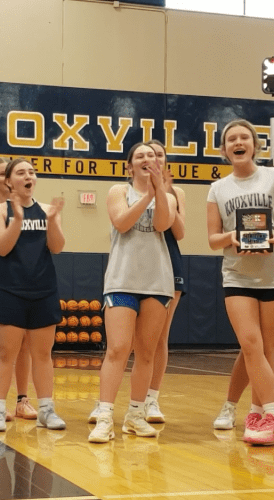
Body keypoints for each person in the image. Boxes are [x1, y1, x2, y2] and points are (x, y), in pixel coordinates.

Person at [207, 121, 274, 446]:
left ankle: (257, 414)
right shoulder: (218, 188)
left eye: (244, 137)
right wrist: (232, 237)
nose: (238, 142)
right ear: (224, 150)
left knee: (266, 348)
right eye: (231, 139)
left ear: (255, 145)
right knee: (250, 344)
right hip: (237, 275)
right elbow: (212, 239)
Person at [88, 142, 176, 443]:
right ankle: (104, 416)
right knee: (118, 349)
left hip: (157, 282)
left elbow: (162, 224)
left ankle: (136, 415)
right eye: (140, 156)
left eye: (151, 155)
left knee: (147, 352)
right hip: (122, 280)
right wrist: (147, 196)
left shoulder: (169, 197)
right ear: (130, 166)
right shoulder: (118, 191)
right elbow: (122, 223)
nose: (147, 158)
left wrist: (158, 192)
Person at [0, 158, 66, 432]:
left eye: (31, 172)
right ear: (9, 181)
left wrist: (53, 221)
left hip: (43, 290)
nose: (28, 176)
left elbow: (57, 247)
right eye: (20, 172)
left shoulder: (47, 210)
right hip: (8, 289)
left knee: (42, 353)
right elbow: (1, 248)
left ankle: (46, 409)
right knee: (4, 352)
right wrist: (18, 220)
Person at [0, 156, 38, 421]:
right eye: (1, 173)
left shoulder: (33, 206)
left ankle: (22, 400)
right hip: (1, 276)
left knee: (26, 343)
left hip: (29, 280)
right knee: (3, 345)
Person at [145, 140, 186, 424]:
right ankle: (107, 402)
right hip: (136, 264)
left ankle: (151, 399)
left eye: (159, 154)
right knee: (126, 340)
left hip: (169, 262)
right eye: (149, 155)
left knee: (160, 336)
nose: (155, 159)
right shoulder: (126, 190)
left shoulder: (176, 192)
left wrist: (166, 193)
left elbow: (180, 233)